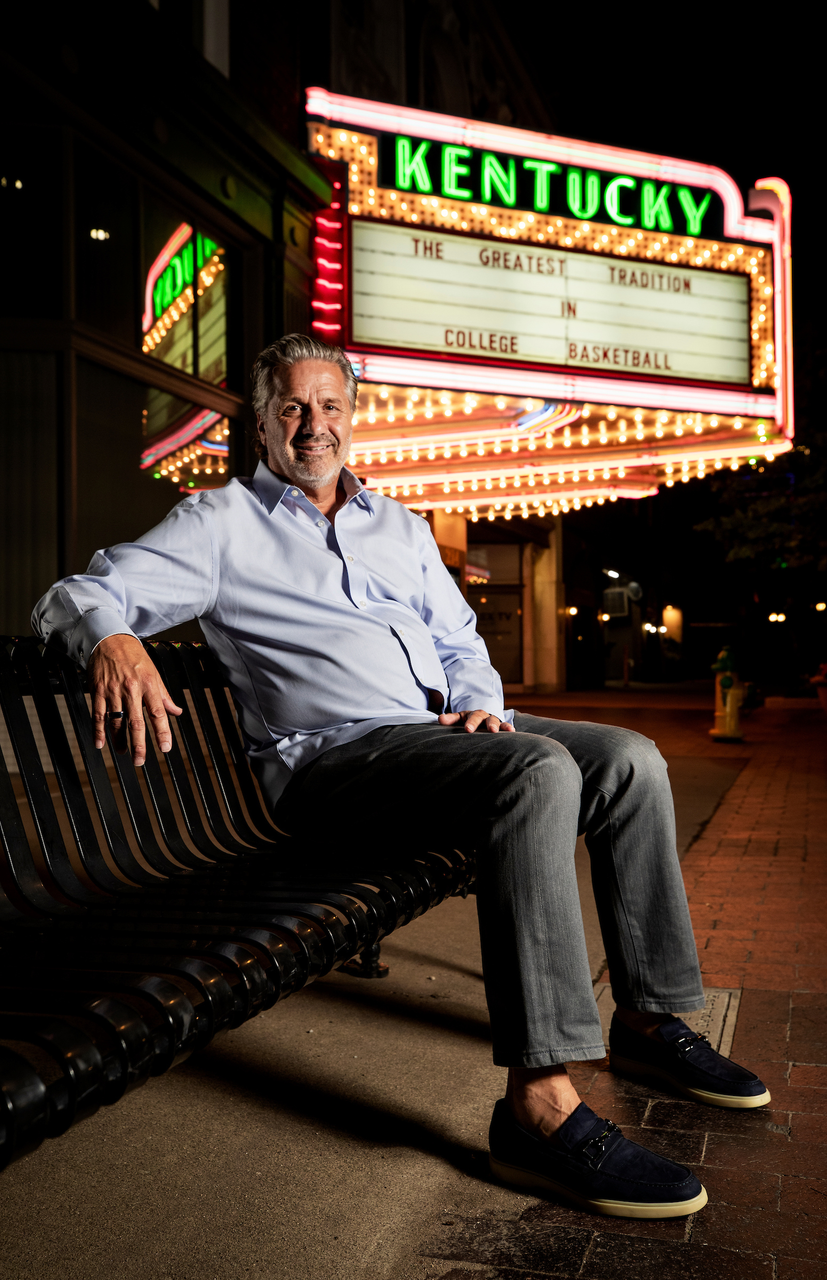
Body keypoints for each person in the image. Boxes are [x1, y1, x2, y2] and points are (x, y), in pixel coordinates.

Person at [33, 334, 769, 1219]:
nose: (315, 426)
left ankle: (650, 1021)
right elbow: (77, 591)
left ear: (353, 417)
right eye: (294, 408)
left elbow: (460, 640)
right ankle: (538, 1105)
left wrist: (477, 705)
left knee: (626, 758)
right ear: (262, 422)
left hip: (437, 737)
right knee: (534, 773)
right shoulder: (218, 523)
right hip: (334, 764)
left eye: (330, 406)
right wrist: (112, 638)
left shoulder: (400, 526)